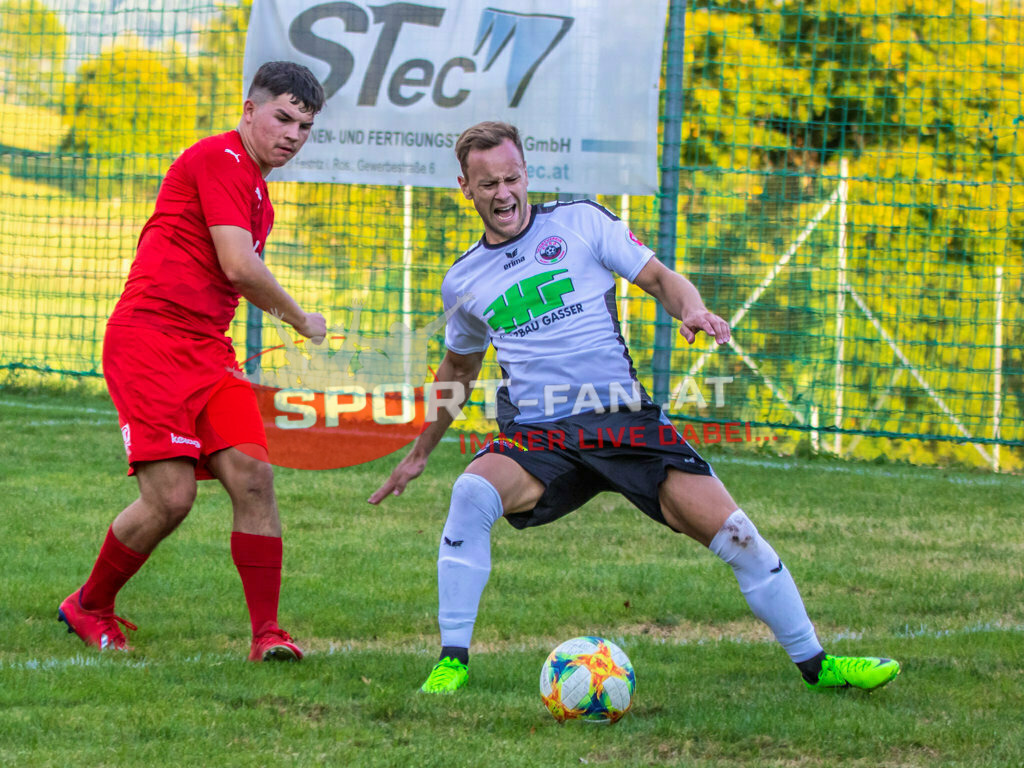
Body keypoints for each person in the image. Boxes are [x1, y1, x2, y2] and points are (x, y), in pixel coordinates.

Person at [369, 121, 901, 694]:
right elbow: (458, 370)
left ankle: (818, 666)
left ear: (526, 173)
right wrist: (419, 454)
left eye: (512, 178)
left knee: (737, 534)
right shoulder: (463, 279)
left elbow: (661, 278)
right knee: (472, 492)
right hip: (540, 433)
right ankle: (451, 662)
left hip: (623, 420)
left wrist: (691, 311)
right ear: (466, 188)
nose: (504, 194)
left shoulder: (580, 222)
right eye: (489, 184)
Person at [58, 61, 328, 662]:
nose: (293, 134)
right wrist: (300, 319)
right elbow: (238, 266)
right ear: (249, 110)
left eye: (305, 126)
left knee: (254, 477)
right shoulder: (219, 158)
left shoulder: (259, 194)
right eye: (283, 118)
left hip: (209, 350)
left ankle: (267, 635)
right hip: (150, 341)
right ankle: (88, 606)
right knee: (172, 498)